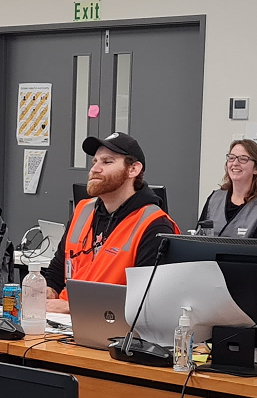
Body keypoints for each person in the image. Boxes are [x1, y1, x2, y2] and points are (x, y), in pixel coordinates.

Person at [45, 133, 178, 311]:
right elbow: (56, 272)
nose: (95, 169)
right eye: (95, 162)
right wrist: (43, 293)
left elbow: (145, 303)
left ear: (133, 170)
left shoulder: (154, 224)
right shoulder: (83, 211)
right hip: (59, 325)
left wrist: (70, 307)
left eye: (107, 162)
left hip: (112, 330)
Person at [197, 139, 257, 239]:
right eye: (231, 158)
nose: (235, 163)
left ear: (256, 169)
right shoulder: (214, 199)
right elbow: (198, 239)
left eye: (243, 159)